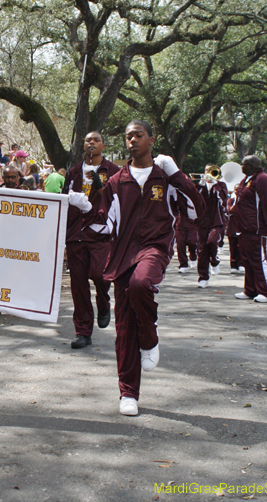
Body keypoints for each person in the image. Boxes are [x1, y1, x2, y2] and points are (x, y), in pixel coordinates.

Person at [83, 120, 203, 416]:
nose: (132, 140)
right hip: (123, 254)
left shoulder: (166, 177)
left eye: (138, 135)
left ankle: (150, 338)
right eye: (128, 137)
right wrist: (80, 202)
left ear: (152, 138)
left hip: (155, 247)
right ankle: (128, 393)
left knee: (141, 284)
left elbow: (197, 209)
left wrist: (176, 174)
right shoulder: (116, 180)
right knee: (124, 328)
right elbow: (101, 219)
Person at [64, 131, 120, 348]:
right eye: (87, 140)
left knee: (100, 274)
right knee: (78, 285)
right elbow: (65, 201)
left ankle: (104, 303)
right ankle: (83, 332)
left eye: (96, 140)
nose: (91, 143)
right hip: (76, 234)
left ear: (103, 145)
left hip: (100, 233)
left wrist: (100, 187)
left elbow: (118, 200)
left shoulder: (113, 171)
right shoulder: (74, 171)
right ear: (83, 145)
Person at [230, 155, 267, 302]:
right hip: (244, 227)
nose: (241, 166)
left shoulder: (263, 179)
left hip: (256, 228)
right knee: (247, 260)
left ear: (250, 165)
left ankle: (265, 292)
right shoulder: (247, 180)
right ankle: (250, 289)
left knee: (258, 260)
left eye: (243, 164)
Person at [195, 167, 228, 288]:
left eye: (211, 171)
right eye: (207, 170)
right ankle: (203, 277)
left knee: (212, 242)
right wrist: (201, 185)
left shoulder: (221, 185)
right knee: (202, 249)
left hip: (216, 221)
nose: (209, 173)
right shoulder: (200, 186)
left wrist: (215, 185)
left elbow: (223, 200)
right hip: (202, 221)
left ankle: (214, 259)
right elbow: (195, 199)